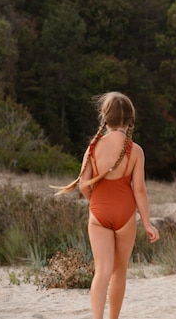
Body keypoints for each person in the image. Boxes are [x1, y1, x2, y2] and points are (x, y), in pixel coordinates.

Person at [53, 91, 160, 319]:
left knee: (101, 273)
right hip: (125, 214)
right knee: (119, 272)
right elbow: (139, 190)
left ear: (104, 116)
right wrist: (148, 224)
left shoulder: (93, 148)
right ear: (131, 119)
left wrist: (97, 203)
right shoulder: (136, 151)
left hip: (99, 213)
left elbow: (83, 185)